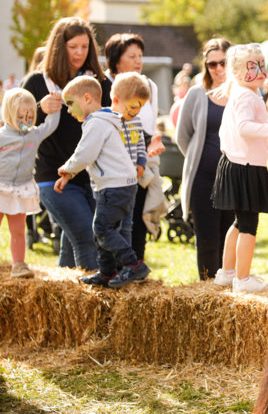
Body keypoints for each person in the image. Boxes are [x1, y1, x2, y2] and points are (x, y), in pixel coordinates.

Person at [22, 17, 112, 271]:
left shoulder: (100, 83)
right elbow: (11, 123)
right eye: (74, 47)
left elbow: (117, 118)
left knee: (72, 243)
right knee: (87, 236)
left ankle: (62, 303)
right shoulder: (37, 82)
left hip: (93, 177)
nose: (80, 53)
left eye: (85, 47)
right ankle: (92, 298)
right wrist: (39, 109)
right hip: (53, 176)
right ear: (60, 47)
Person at [211, 44, 268, 293]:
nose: (260, 71)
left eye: (262, 65)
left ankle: (227, 273)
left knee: (239, 222)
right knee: (249, 225)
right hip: (245, 167)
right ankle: (242, 278)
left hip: (237, 163)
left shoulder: (243, 93)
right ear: (237, 72)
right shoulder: (246, 95)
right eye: (253, 66)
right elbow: (244, 127)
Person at [57, 76, 150, 288]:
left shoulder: (96, 123)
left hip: (114, 186)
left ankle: (133, 264)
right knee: (105, 229)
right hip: (122, 185)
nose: (69, 110)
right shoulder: (106, 120)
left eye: (70, 104)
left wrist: (67, 169)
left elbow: (84, 154)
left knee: (101, 229)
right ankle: (107, 272)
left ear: (87, 98)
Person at [176, 38, 237, 280]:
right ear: (205, 65)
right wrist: (197, 159)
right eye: (212, 64)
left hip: (234, 178)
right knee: (207, 238)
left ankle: (228, 287)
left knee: (230, 236)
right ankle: (208, 287)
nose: (219, 69)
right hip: (203, 177)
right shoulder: (196, 94)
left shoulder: (242, 93)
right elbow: (183, 137)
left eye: (224, 63)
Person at [103, 33, 164, 262]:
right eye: (132, 56)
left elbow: (150, 125)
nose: (138, 61)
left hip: (141, 162)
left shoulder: (149, 85)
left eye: (140, 55)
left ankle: (136, 266)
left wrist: (154, 140)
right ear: (117, 60)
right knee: (114, 221)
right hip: (113, 166)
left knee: (138, 217)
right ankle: (114, 268)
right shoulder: (104, 85)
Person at [0, 89, 61, 278]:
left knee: (18, 230)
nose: (25, 121)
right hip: (1, 186)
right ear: (8, 114)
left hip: (20, 188)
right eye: (20, 116)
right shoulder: (2, 136)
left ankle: (19, 264)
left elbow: (50, 125)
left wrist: (56, 105)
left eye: (30, 116)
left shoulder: (33, 134)